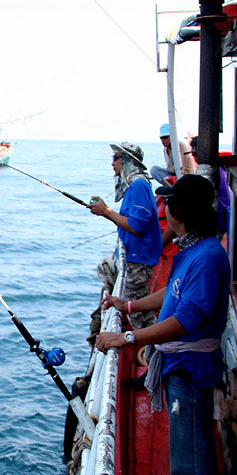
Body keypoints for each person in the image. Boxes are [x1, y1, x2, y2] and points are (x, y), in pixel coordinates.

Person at [95, 174, 231, 475]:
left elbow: (186, 319)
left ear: (180, 213)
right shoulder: (192, 251)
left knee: (192, 464)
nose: (163, 210)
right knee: (184, 458)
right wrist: (129, 302)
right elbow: (172, 292)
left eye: (169, 204)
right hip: (179, 369)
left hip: (191, 370)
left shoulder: (207, 257)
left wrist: (127, 337)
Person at [87, 142, 163, 337]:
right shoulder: (136, 184)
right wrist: (105, 212)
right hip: (137, 256)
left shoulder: (138, 186)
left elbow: (137, 227)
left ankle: (149, 350)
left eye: (116, 158)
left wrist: (106, 211)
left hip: (139, 259)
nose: (112, 163)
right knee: (138, 306)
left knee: (136, 310)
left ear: (127, 160)